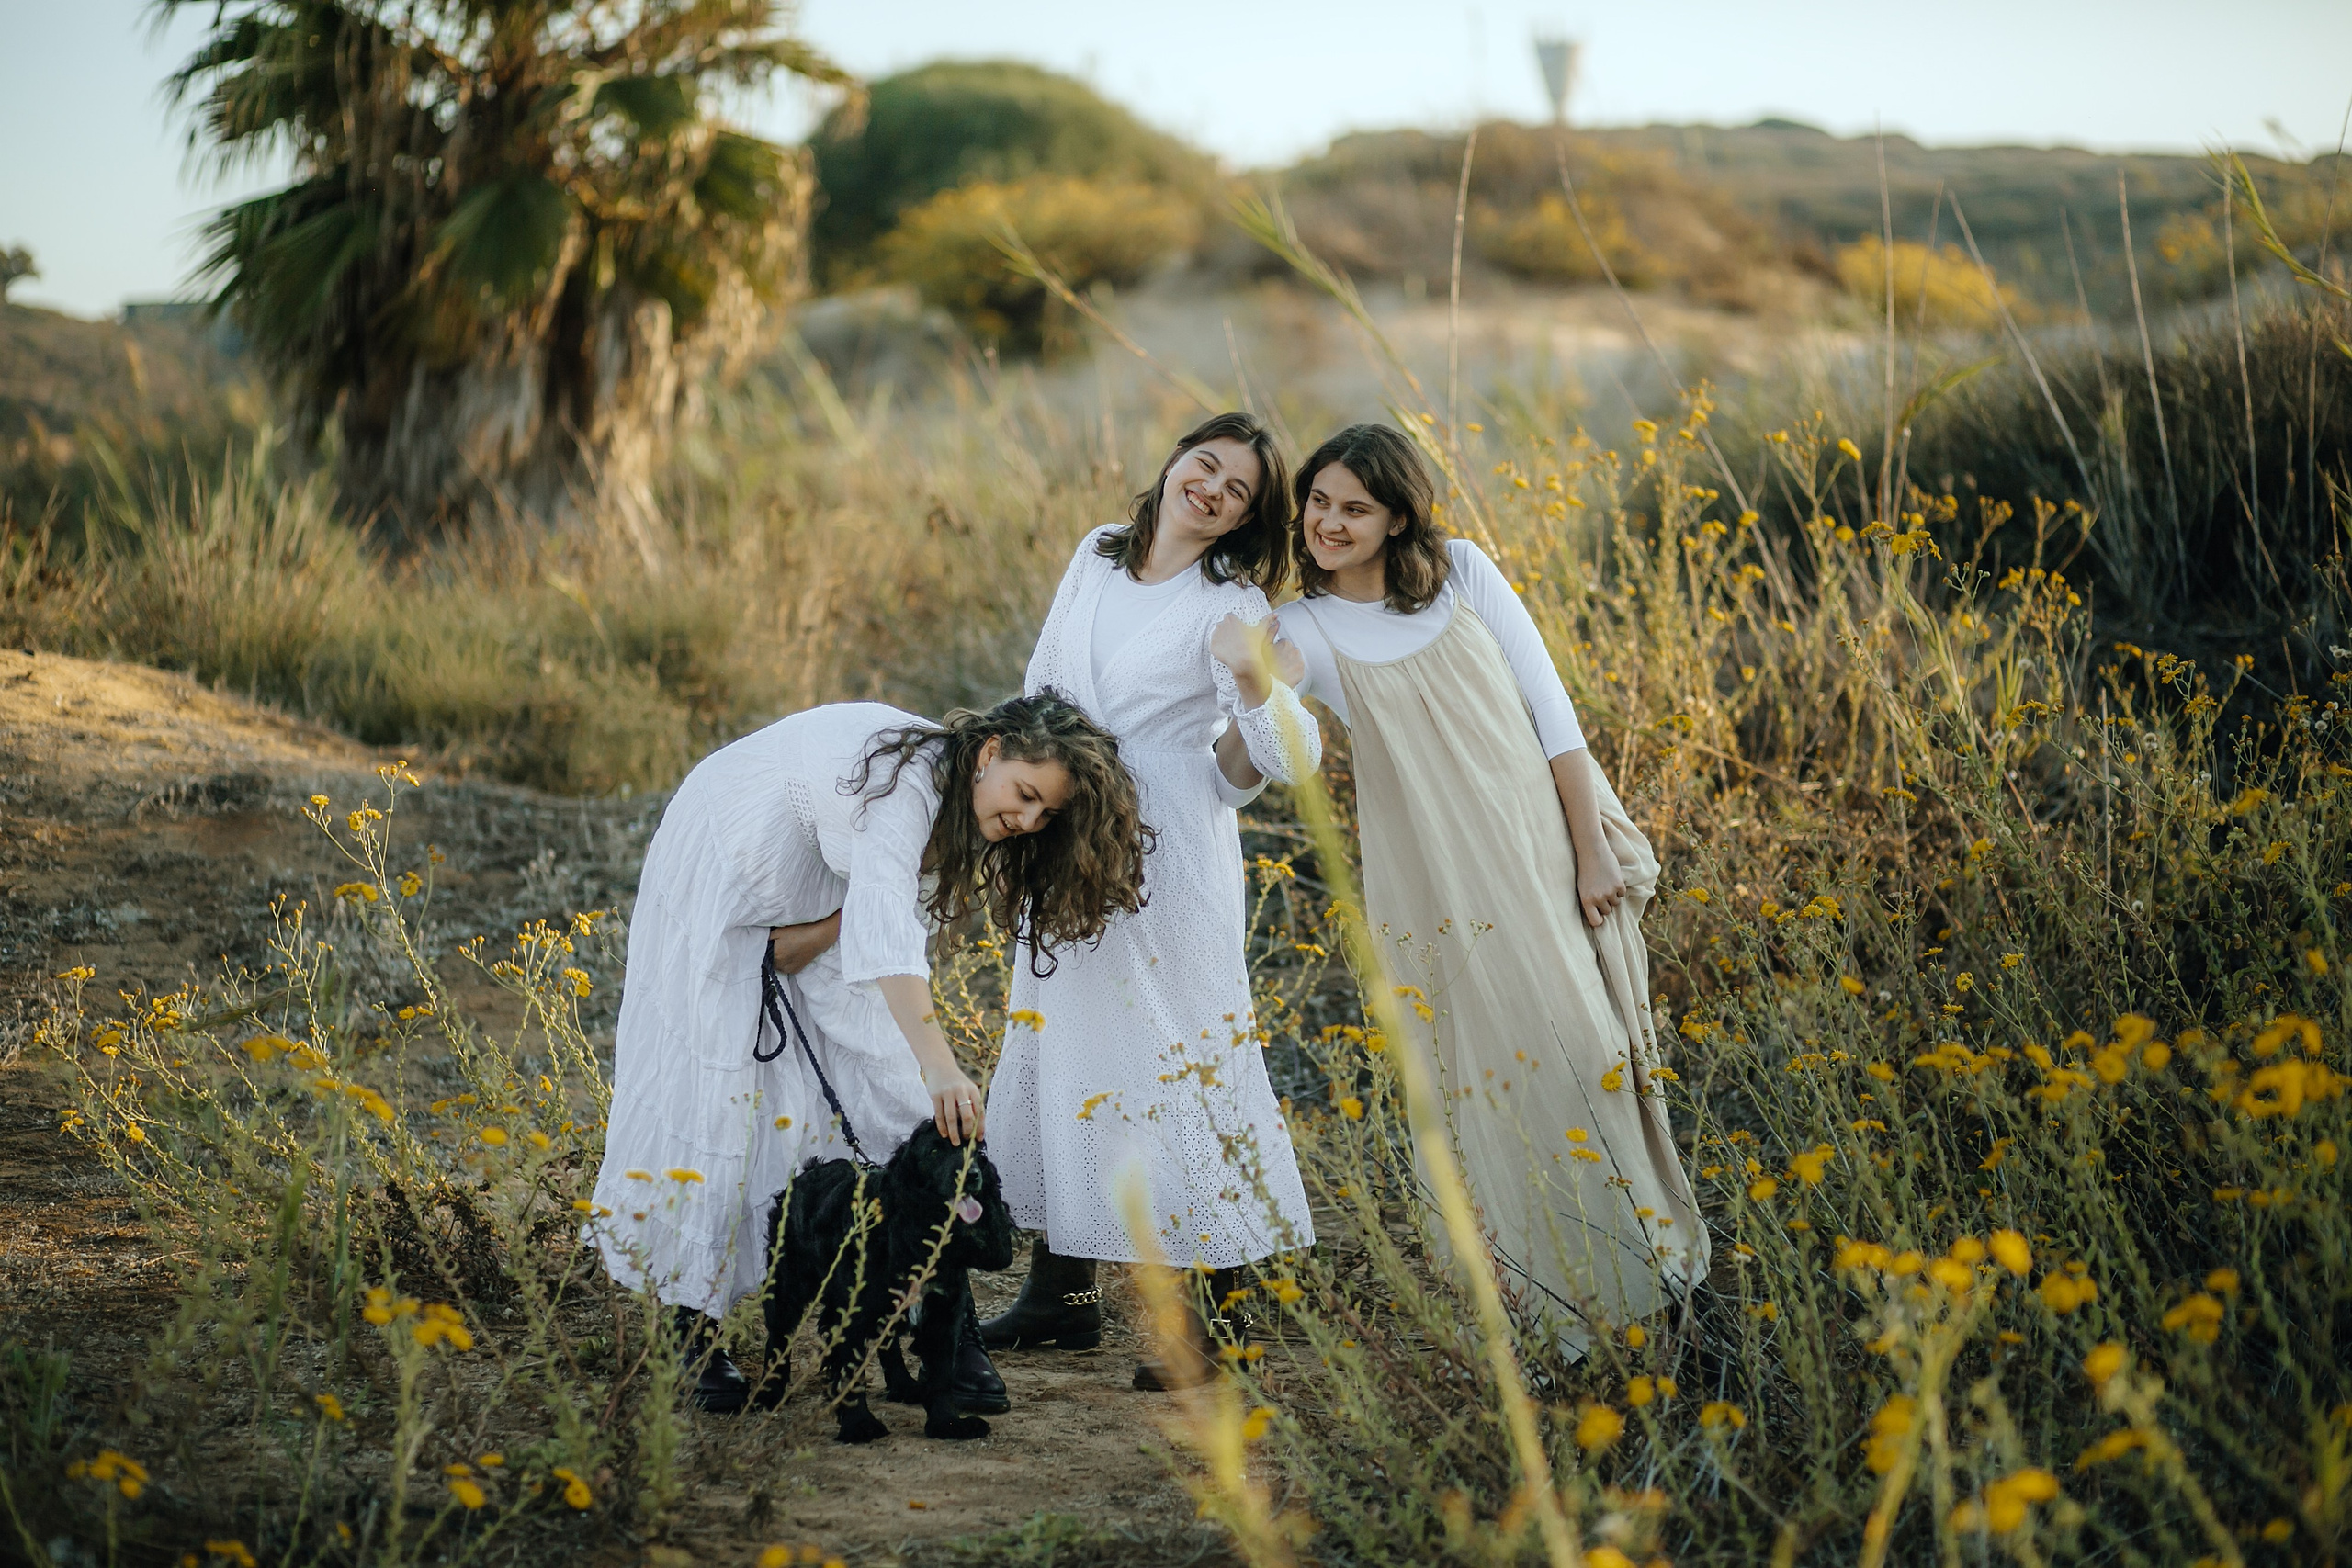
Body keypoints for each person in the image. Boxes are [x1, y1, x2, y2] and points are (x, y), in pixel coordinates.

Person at [1271, 423, 1708, 1354]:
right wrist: (1247, 680)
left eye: (1355, 509)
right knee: (1483, 1083)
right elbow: (1252, 742)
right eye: (1318, 503)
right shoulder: (1301, 629)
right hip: (1437, 882)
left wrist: (1590, 850)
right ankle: (1537, 1326)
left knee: (1587, 1053)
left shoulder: (1462, 571)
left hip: (1541, 851)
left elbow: (1553, 713)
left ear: (1397, 519)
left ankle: (1657, 1298)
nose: (1328, 523)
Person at [588, 692, 1150, 1413]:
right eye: (1027, 794)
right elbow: (885, 913)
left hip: (819, 889)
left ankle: (943, 1329)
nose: (1029, 820)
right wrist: (942, 1064)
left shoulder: (966, 802)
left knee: (895, 1090)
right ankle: (687, 1326)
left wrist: (817, 934)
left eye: (1046, 814)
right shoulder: (906, 781)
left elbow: (884, 905)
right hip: (728, 855)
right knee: (715, 1088)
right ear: (991, 752)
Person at [980, 411, 1322, 1390]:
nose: (1210, 490)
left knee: (1180, 1063)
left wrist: (1255, 680)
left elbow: (1286, 759)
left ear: (1245, 518)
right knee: (1061, 1048)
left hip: (1162, 853)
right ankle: (1062, 1296)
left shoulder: (1232, 605)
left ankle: (1226, 1317)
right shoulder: (1098, 552)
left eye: (1236, 490)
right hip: (1062, 836)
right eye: (1203, 465)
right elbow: (1043, 682)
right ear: (1174, 462)